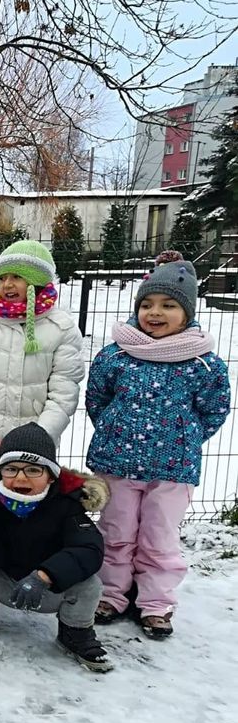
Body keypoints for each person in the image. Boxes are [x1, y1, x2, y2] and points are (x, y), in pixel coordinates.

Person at [85, 251, 231, 639]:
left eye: (168, 305)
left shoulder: (203, 363)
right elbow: (97, 398)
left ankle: (155, 602)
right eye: (147, 304)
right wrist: (115, 430)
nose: (155, 313)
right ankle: (111, 593)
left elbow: (215, 409)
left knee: (159, 536)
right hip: (116, 463)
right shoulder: (117, 354)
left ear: (187, 312)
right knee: (115, 531)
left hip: (172, 469)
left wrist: (185, 437)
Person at [0, 423, 112, 672]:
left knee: (90, 584)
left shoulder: (67, 504)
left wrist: (45, 576)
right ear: (0, 472)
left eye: (33, 470)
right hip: (5, 583)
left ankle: (75, 632)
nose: (20, 478)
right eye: (11, 469)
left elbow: (89, 549)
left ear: (51, 475)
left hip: (48, 590)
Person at [0, 239, 85, 469]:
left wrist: (42, 434)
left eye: (16, 277)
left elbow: (64, 390)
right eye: (2, 277)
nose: (7, 284)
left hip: (35, 442)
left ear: (36, 280)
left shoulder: (61, 328)